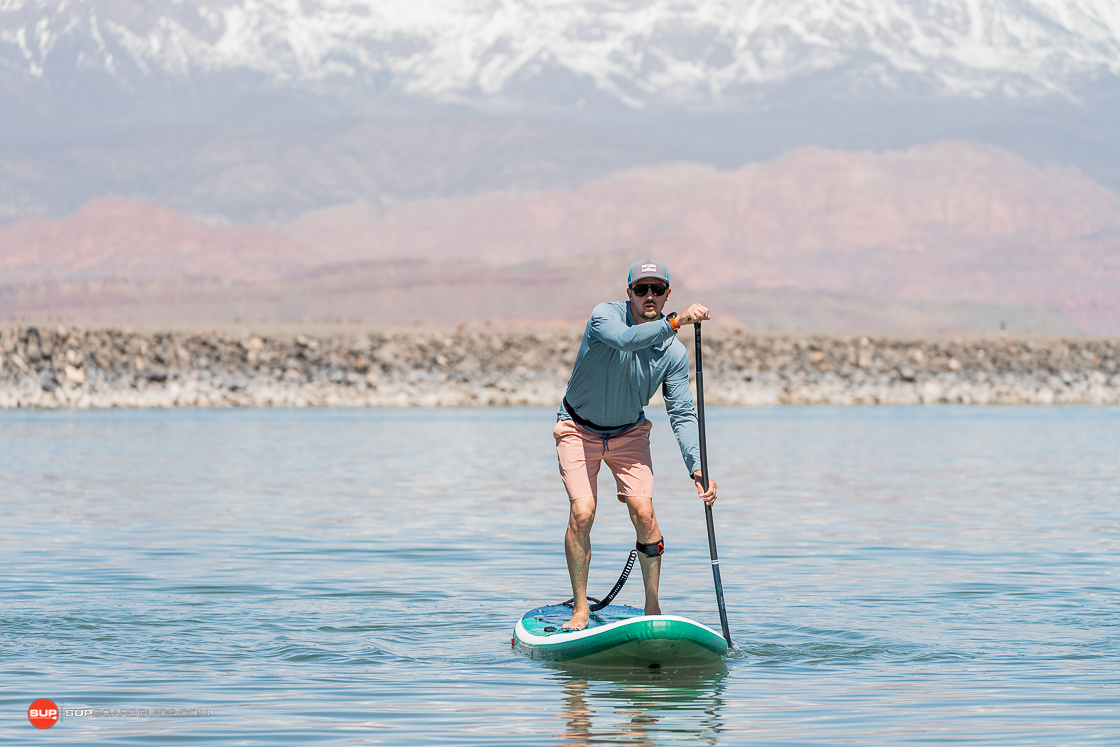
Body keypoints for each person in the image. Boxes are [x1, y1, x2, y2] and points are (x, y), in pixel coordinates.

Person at [555, 259, 717, 632]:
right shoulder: (604, 317)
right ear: (628, 292)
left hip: (629, 433)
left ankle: (652, 607)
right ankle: (581, 609)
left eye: (656, 290)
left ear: (666, 295)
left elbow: (682, 414)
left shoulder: (673, 355)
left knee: (645, 514)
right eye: (641, 289)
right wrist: (676, 322)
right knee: (583, 511)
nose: (648, 295)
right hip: (578, 429)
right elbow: (626, 341)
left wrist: (698, 468)